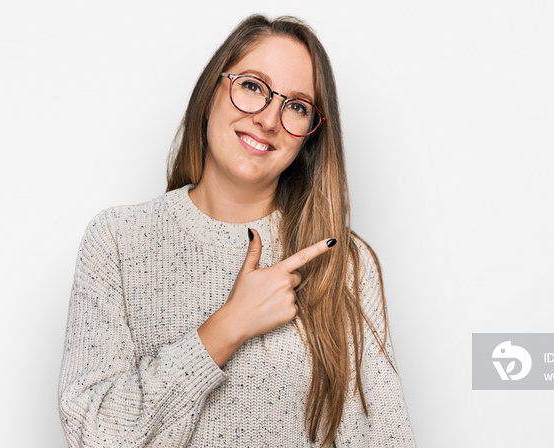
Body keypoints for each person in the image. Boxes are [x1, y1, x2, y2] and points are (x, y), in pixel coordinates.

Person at [58, 14, 416, 448]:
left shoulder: (341, 259)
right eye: (252, 86)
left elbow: (384, 437)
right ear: (213, 91)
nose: (268, 119)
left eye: (297, 107)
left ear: (310, 138)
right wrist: (229, 326)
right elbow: (91, 434)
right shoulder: (117, 239)